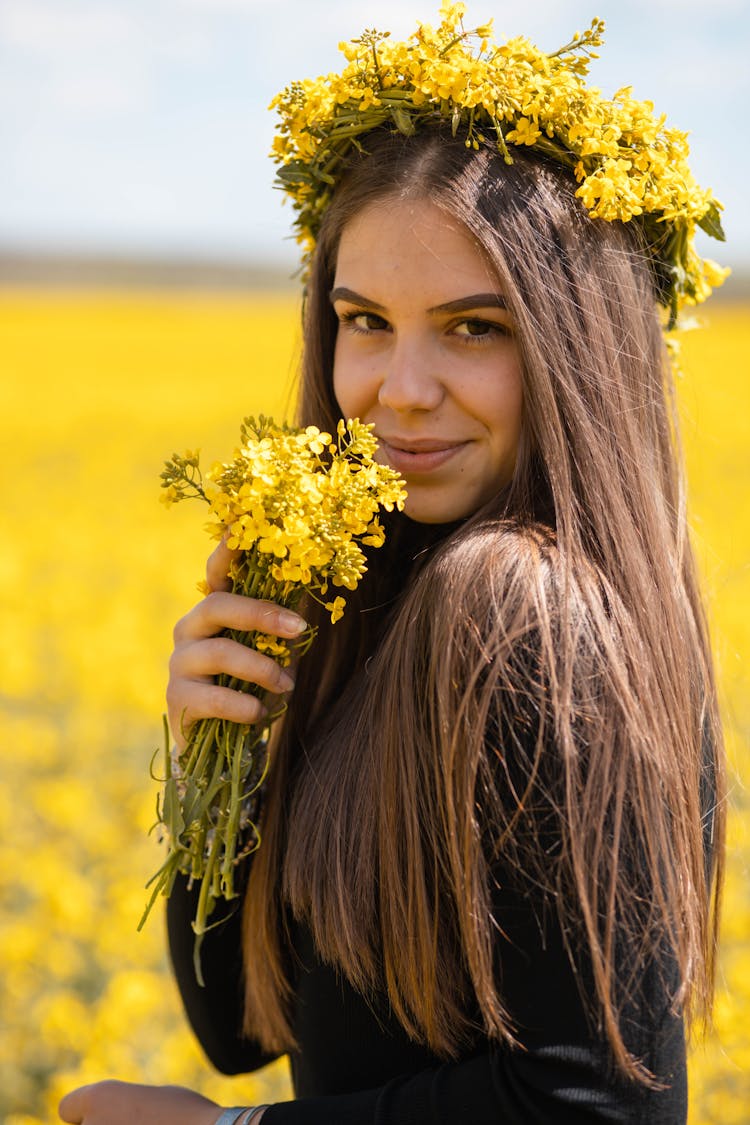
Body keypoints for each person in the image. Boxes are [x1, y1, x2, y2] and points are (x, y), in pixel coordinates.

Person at [59, 7, 727, 1124]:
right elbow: (240, 1027)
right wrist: (223, 754)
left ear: (575, 349)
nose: (398, 391)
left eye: (475, 328)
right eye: (365, 321)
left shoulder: (516, 611)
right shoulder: (375, 590)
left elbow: (594, 1111)